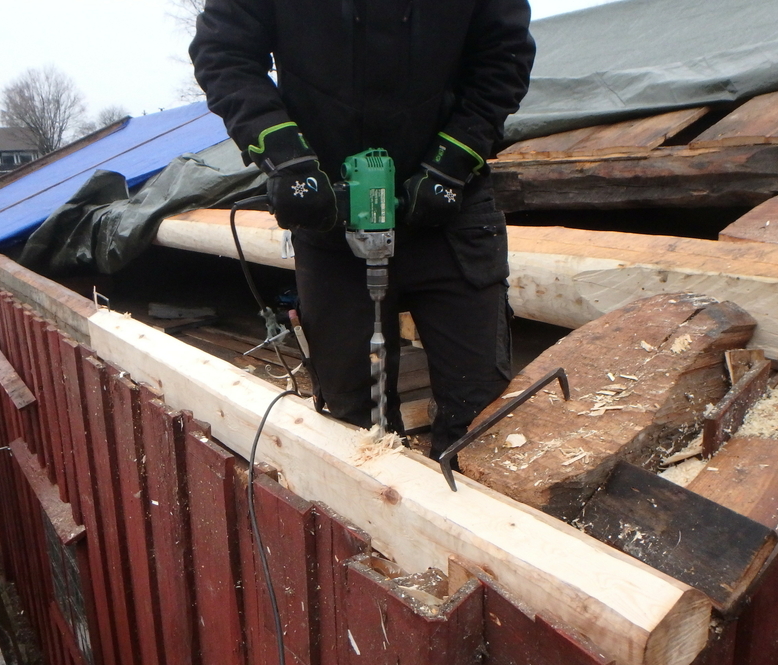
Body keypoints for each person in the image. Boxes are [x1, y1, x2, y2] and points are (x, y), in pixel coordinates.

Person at [190, 0, 536, 459]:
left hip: (450, 212)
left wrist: (453, 163)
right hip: (330, 211)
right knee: (352, 422)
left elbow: (503, 57)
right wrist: (287, 160)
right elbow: (224, 54)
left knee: (481, 417)